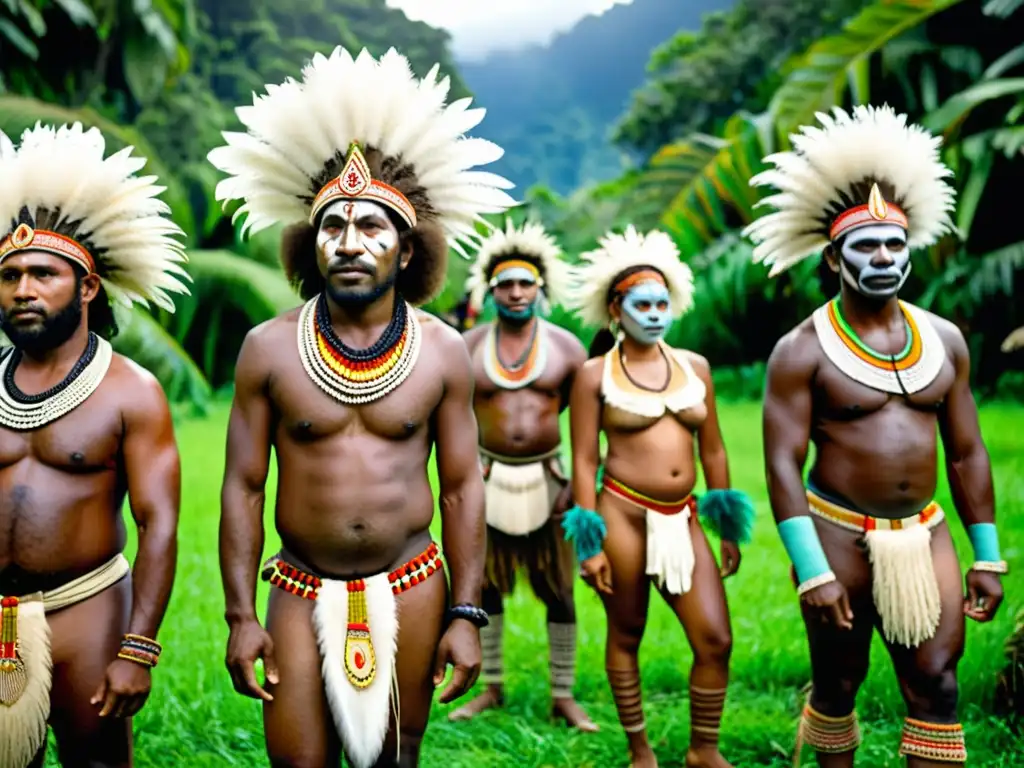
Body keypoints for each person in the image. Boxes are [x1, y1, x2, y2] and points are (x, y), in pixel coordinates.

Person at [208, 46, 516, 768]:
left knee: (392, 762)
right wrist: (240, 617)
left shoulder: (443, 351)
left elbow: (465, 484)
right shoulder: (268, 348)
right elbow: (243, 485)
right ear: (309, 244)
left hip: (412, 581)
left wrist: (466, 615)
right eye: (332, 226)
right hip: (297, 584)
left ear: (407, 250)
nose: (350, 242)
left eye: (373, 226)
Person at [746, 104, 1008, 767]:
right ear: (836, 258)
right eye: (867, 246)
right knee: (838, 683)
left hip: (926, 532)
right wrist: (812, 571)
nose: (885, 257)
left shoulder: (944, 341)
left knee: (938, 687)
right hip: (838, 533)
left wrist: (987, 555)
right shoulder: (801, 350)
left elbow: (970, 451)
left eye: (896, 245)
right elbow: (781, 463)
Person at [0, 123, 187, 768]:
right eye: (10, 275)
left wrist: (138, 648)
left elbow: (158, 524)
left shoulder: (131, 393)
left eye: (43, 274)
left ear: (86, 287)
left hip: (86, 606)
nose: (23, 289)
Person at [562, 226, 755, 768]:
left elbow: (713, 450)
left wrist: (726, 520)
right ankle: (639, 749)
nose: (654, 313)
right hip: (621, 515)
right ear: (616, 311)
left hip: (684, 518)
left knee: (714, 638)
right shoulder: (593, 375)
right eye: (641, 304)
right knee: (627, 632)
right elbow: (582, 458)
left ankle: (704, 750)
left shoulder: (696, 368)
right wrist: (589, 542)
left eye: (662, 303)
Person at [449, 219, 595, 730]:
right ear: (490, 291)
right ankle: (490, 687)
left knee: (559, 589)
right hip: (486, 478)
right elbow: (451, 423)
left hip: (550, 481)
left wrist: (577, 491)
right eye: (505, 284)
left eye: (525, 283)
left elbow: (586, 432)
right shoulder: (465, 348)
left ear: (541, 287)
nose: (515, 292)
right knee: (485, 588)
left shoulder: (568, 349)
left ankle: (563, 694)